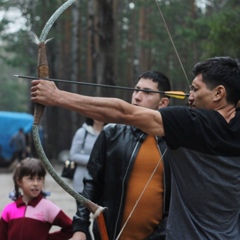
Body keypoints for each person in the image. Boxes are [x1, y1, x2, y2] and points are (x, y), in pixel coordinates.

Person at [31, 56, 240, 239]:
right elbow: (92, 184)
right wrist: (80, 226)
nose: (189, 96)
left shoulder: (191, 124)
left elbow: (124, 112)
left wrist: (57, 97)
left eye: (195, 89)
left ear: (219, 93)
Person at [72, 71, 172, 240]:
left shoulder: (172, 144)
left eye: (147, 92)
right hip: (108, 234)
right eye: (136, 90)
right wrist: (80, 227)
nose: (137, 97)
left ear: (163, 102)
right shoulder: (111, 133)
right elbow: (91, 184)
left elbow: (176, 201)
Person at [0, 157, 73, 240]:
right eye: (31, 179)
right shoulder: (9, 210)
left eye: (39, 179)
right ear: (19, 181)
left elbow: (71, 228)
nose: (36, 183)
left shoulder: (48, 207)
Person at [69, 118, 104, 205]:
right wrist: (94, 160)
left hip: (103, 182)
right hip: (82, 181)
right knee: (82, 213)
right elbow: (73, 155)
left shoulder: (110, 132)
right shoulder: (82, 132)